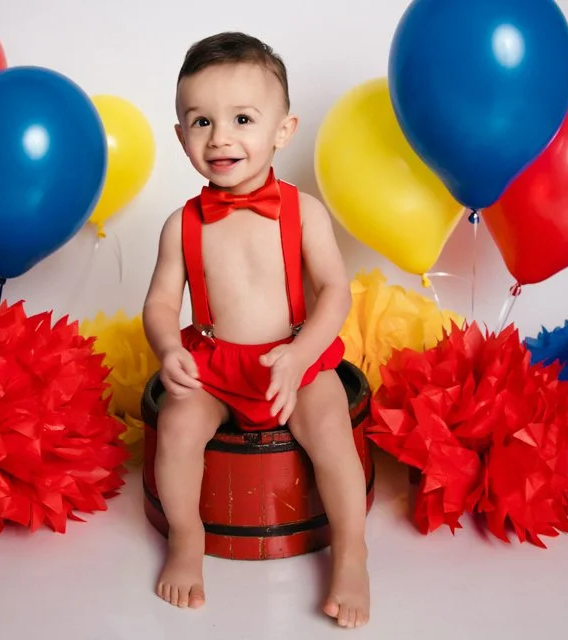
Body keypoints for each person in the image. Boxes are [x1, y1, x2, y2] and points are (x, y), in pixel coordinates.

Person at [142, 32, 370, 629]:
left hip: (292, 359)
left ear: (282, 131)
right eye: (200, 121)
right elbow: (163, 303)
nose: (220, 137)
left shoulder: (304, 212)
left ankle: (351, 552)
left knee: (331, 432)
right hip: (215, 366)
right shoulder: (180, 225)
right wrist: (169, 347)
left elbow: (335, 293)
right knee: (177, 426)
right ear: (180, 136)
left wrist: (299, 356)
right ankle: (186, 538)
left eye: (242, 118)